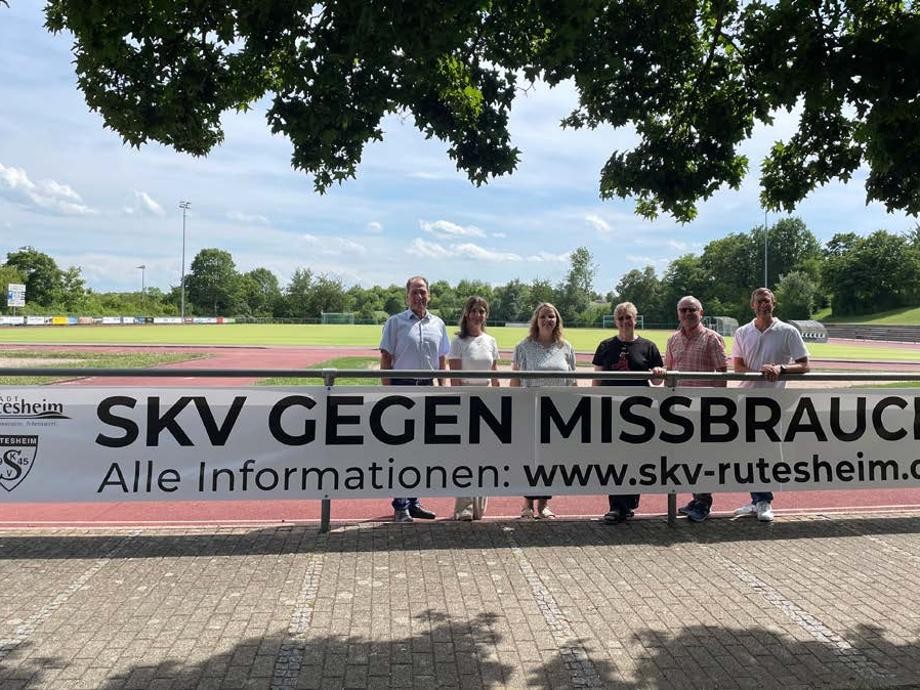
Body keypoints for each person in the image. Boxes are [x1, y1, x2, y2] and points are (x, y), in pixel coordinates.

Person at [730, 287, 810, 522]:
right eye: (759, 301)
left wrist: (780, 369)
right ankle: (757, 500)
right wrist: (760, 372)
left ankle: (764, 500)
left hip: (773, 403)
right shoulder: (743, 332)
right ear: (752, 305)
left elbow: (805, 365)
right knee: (748, 454)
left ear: (774, 303)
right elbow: (738, 367)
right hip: (745, 401)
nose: (764, 304)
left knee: (766, 453)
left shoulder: (788, 331)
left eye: (767, 300)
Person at [379, 275, 450, 523]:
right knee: (402, 449)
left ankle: (414, 501)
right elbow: (386, 360)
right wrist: (387, 394)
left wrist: (444, 388)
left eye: (423, 292)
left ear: (429, 294)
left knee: (422, 448)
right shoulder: (394, 323)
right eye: (414, 292)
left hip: (428, 390)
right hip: (402, 389)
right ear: (406, 296)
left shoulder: (438, 324)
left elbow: (442, 362)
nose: (419, 296)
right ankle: (400, 504)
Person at [592, 302, 665, 524]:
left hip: (639, 413)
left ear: (636, 319)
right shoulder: (605, 346)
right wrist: (595, 404)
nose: (625, 321)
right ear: (616, 321)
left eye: (629, 317)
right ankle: (617, 506)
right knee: (614, 457)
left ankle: (629, 502)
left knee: (636, 457)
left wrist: (659, 372)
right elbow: (597, 379)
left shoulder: (648, 347)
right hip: (611, 410)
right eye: (621, 318)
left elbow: (658, 380)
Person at [510, 302, 577, 520]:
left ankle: (544, 504)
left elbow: (573, 381)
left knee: (550, 458)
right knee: (530, 457)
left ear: (557, 320)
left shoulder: (565, 347)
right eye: (543, 317)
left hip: (558, 413)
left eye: (551, 317)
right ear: (536, 321)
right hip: (531, 410)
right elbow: (515, 380)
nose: (547, 320)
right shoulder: (524, 346)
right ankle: (527, 503)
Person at [665, 296, 728, 522]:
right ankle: (696, 497)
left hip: (704, 409)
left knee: (702, 456)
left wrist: (717, 405)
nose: (687, 313)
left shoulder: (712, 339)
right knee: (686, 457)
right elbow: (669, 371)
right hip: (679, 411)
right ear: (678, 313)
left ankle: (703, 502)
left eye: (692, 310)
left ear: (701, 312)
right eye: (683, 310)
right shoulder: (673, 340)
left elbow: (722, 374)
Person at [449, 296, 501, 521]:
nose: (478, 315)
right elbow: (455, 377)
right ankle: (463, 507)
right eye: (474, 311)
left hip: (488, 398)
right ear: (467, 314)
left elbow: (495, 373)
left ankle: (479, 506)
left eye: (482, 311)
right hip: (467, 397)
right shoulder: (458, 342)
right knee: (466, 454)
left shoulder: (490, 340)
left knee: (485, 454)